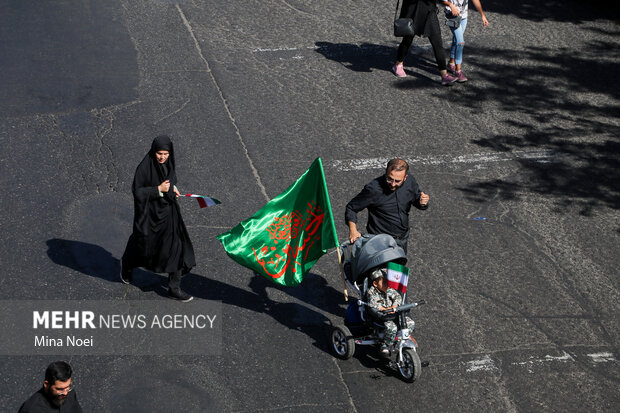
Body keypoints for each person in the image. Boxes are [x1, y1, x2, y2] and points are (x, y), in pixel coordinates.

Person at [121, 135, 196, 302]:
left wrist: (173, 189)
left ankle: (173, 288)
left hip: (168, 214)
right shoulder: (144, 168)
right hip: (150, 217)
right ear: (153, 152)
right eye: (159, 153)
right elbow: (138, 192)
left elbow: (170, 178)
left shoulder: (168, 162)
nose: (162, 157)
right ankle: (126, 266)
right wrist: (158, 189)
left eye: (166, 154)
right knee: (142, 247)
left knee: (177, 246)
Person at [345, 158, 429, 255]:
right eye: (389, 179)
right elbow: (351, 208)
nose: (393, 184)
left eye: (397, 181)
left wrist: (422, 203)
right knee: (382, 269)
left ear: (405, 177)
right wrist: (353, 230)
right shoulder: (373, 189)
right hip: (380, 242)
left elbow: (416, 199)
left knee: (397, 268)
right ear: (386, 173)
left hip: (402, 239)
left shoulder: (410, 182)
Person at [392, 0, 459, 85]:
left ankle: (444, 75)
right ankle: (398, 64)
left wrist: (449, 4)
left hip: (429, 12)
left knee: (437, 43)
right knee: (407, 39)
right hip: (413, 11)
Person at [366, 268, 415, 356]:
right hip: (382, 316)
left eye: (388, 281)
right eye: (384, 282)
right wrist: (383, 309)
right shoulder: (371, 293)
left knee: (410, 323)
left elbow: (397, 297)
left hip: (394, 312)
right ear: (375, 284)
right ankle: (386, 343)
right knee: (391, 328)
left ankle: (399, 339)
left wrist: (395, 306)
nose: (387, 284)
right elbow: (372, 305)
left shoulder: (389, 289)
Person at [443, 0, 489, 82]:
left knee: (456, 40)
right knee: (460, 42)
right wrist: (451, 5)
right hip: (452, 15)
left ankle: (451, 63)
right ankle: (458, 70)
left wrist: (483, 15)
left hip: (464, 16)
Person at [18, 361, 83, 413]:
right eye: (60, 389)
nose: (65, 393)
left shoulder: (70, 393)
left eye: (67, 387)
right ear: (46, 384)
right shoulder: (31, 409)